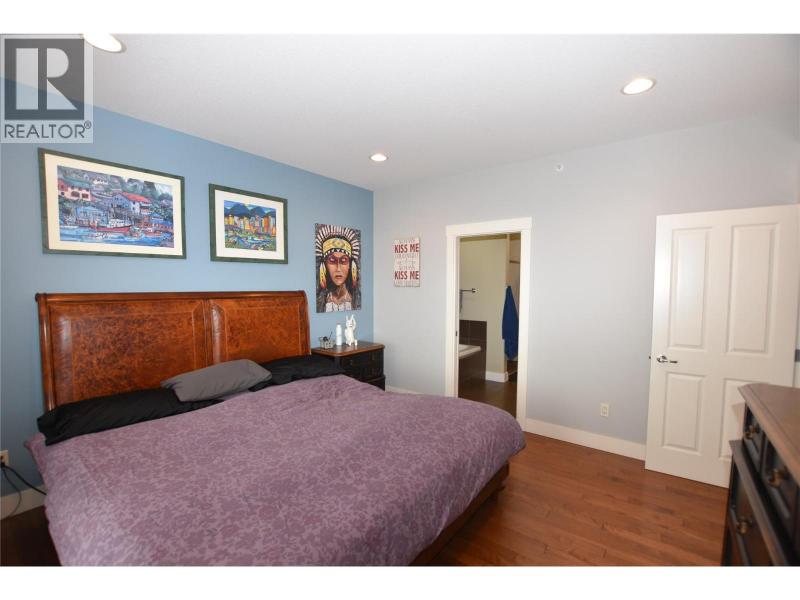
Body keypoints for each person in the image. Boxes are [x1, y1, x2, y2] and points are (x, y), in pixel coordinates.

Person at [316, 224, 361, 312]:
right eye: (332, 260)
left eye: (343, 260)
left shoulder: (355, 299)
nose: (338, 268)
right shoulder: (321, 300)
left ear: (350, 265)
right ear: (325, 265)